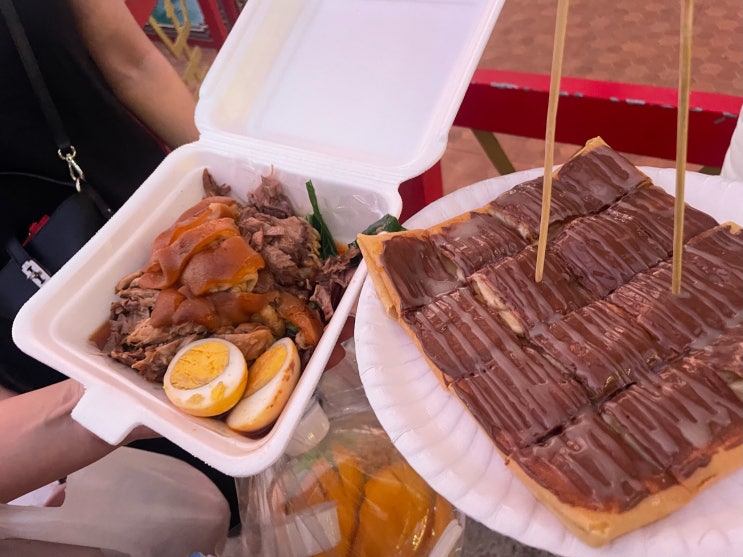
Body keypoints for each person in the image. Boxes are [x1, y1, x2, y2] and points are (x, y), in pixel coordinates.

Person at [0, 0, 240, 527]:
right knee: (197, 475)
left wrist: (229, 176)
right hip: (34, 324)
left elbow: (133, 61)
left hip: (145, 204)